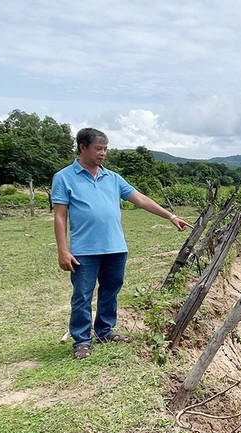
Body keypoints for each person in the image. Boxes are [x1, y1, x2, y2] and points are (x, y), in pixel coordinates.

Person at [52, 128, 190, 359]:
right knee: (82, 295)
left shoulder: (113, 178)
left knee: (110, 290)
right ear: (83, 147)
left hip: (115, 247)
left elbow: (141, 200)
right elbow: (59, 216)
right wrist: (63, 250)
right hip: (84, 250)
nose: (103, 153)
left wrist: (171, 216)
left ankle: (105, 330)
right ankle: (82, 340)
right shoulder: (64, 177)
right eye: (98, 148)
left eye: (105, 148)